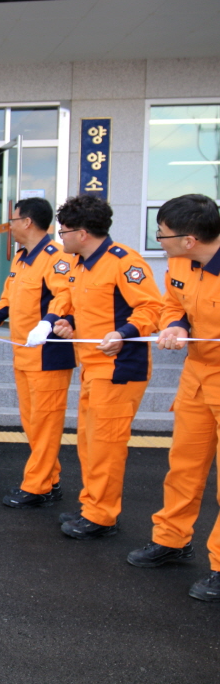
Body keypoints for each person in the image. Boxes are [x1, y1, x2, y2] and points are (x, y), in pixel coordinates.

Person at [125, 194, 220, 602]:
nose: (158, 240)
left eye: (161, 234)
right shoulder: (179, 263)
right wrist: (177, 325)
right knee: (184, 467)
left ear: (189, 239)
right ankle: (171, 539)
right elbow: (171, 304)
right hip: (197, 377)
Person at [51, 194, 162, 539]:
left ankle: (101, 516)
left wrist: (123, 333)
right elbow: (88, 310)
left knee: (106, 446)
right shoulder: (81, 264)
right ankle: (92, 504)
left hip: (118, 368)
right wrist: (68, 322)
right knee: (89, 443)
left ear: (82, 233)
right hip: (92, 365)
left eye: (63, 231)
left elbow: (151, 309)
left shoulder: (123, 262)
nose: (60, 237)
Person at [0, 198, 76, 508]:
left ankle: (37, 486)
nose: (9, 226)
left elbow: (65, 296)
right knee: (33, 423)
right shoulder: (21, 258)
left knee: (45, 424)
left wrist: (48, 322)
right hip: (23, 353)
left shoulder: (57, 257)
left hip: (49, 354)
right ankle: (50, 479)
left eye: (12, 220)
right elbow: (7, 300)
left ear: (28, 222)